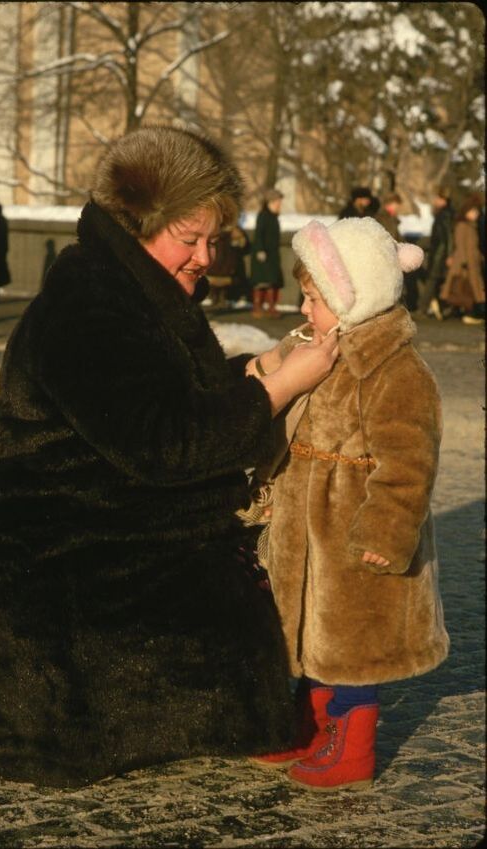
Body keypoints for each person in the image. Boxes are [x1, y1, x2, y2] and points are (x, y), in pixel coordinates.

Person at [0, 126, 338, 788]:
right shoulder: (89, 304)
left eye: (215, 240)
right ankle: (273, 714)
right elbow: (163, 442)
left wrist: (264, 366)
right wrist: (277, 389)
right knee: (235, 592)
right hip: (40, 556)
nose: (206, 256)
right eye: (190, 237)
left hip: (87, 527)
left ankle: (262, 712)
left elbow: (168, 400)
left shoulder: (128, 287)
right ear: (140, 221)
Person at [253, 217, 449, 791]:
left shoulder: (395, 370)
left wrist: (387, 531)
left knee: (353, 641)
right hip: (302, 527)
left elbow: (410, 459)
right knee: (310, 632)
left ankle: (353, 741)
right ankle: (312, 723)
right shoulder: (316, 345)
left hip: (354, 530)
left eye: (315, 298)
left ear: (352, 296)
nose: (305, 310)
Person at [440, 194, 485, 325]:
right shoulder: (462, 226)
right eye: (474, 211)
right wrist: (464, 262)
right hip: (466, 263)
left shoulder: (471, 226)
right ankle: (468, 312)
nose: (476, 214)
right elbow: (460, 246)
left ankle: (462, 311)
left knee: (469, 289)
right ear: (467, 211)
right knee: (465, 288)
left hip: (472, 262)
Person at [417, 187, 454, 320]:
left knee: (432, 281)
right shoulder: (444, 214)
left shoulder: (445, 215)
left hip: (440, 254)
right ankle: (443, 309)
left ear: (443, 199)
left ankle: (422, 308)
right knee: (436, 282)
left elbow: (449, 236)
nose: (435, 201)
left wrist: (449, 254)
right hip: (439, 252)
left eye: (437, 198)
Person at [250, 187, 284, 318]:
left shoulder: (274, 217)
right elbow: (258, 234)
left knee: (272, 282)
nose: (279, 205)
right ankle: (257, 307)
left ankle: (271, 307)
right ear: (270, 202)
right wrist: (260, 250)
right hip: (263, 255)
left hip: (272, 255)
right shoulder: (263, 216)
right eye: (277, 202)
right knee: (261, 282)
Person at [205, 222, 250, 308]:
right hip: (221, 260)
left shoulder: (227, 229)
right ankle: (218, 299)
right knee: (218, 280)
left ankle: (219, 299)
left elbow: (242, 243)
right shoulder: (229, 229)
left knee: (221, 280)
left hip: (224, 260)